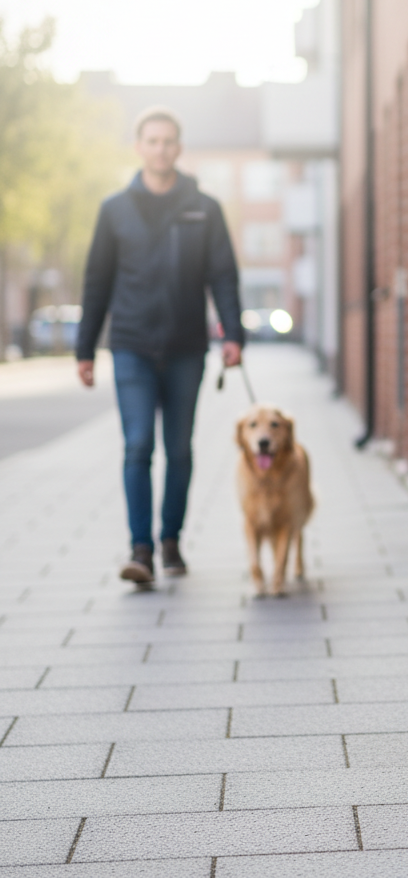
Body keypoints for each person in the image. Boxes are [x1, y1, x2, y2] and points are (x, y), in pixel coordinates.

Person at [76, 107, 244, 583]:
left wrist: (233, 334)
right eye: (152, 141)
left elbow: (223, 277)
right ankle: (141, 550)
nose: (161, 148)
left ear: (179, 147)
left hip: (187, 346)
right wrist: (84, 350)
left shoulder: (203, 208)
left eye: (169, 141)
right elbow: (96, 281)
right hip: (130, 345)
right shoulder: (115, 209)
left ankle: (171, 540)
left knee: (180, 448)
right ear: (139, 147)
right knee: (137, 445)